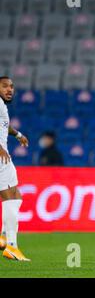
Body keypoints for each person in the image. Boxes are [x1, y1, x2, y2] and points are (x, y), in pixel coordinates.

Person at [0, 76, 30, 261]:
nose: (9, 89)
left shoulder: (2, 106)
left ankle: (4, 237)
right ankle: (12, 246)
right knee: (11, 197)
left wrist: (18, 134)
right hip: (0, 157)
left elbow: (4, 126)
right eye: (4, 86)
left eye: (11, 87)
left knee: (14, 196)